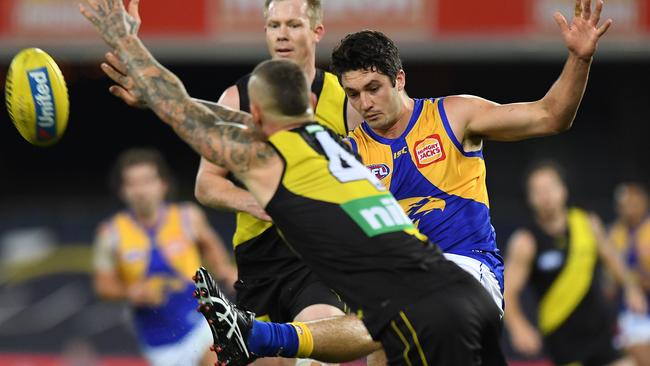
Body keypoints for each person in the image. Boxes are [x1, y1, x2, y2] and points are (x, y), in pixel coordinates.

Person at [80, 1, 506, 364]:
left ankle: (256, 335)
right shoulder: (331, 144)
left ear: (260, 118)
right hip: (450, 289)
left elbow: (191, 119)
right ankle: (256, 335)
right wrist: (160, 97)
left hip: (416, 304)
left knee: (354, 331)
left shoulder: (274, 162)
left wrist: (126, 43)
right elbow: (218, 118)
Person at [100, 3, 362, 365]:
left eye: (293, 24)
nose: (282, 34)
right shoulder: (239, 98)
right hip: (260, 260)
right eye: (273, 25)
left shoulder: (348, 97)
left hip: (316, 254)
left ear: (317, 31)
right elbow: (206, 184)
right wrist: (258, 203)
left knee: (319, 345)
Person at [340, 0, 612, 321]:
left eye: (373, 88)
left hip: (468, 270)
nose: (365, 103)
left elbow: (550, 116)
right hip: (401, 283)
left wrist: (580, 58)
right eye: (354, 94)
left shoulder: (453, 116)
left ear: (399, 79)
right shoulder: (349, 153)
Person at [93, 148, 237, 366]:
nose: (140, 190)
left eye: (147, 181)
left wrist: (225, 269)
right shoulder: (110, 233)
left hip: (201, 321)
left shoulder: (188, 217)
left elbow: (209, 245)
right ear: (123, 190)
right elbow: (102, 285)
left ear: (163, 185)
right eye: (132, 183)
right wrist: (130, 292)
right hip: (159, 343)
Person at [503, 161, 646, 365]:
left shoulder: (587, 224)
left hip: (601, 337)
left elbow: (612, 259)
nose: (546, 196)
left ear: (563, 189)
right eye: (538, 190)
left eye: (550, 187)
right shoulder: (526, 241)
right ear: (530, 197)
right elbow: (507, 290)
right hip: (563, 344)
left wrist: (631, 287)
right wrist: (518, 326)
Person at [609, 182, 650, 365]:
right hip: (630, 314)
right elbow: (609, 285)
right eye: (624, 206)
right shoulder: (613, 234)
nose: (629, 210)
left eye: (633, 204)